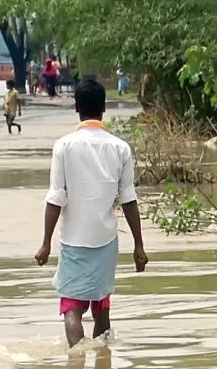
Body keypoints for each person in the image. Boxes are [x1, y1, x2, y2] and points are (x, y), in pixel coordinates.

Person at [35, 75, 148, 347]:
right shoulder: (120, 148)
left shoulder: (63, 146)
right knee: (102, 308)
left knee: (72, 310)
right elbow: (128, 199)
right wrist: (139, 246)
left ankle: (76, 365)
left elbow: (56, 197)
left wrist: (45, 243)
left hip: (73, 240)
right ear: (104, 107)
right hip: (106, 240)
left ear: (76, 108)